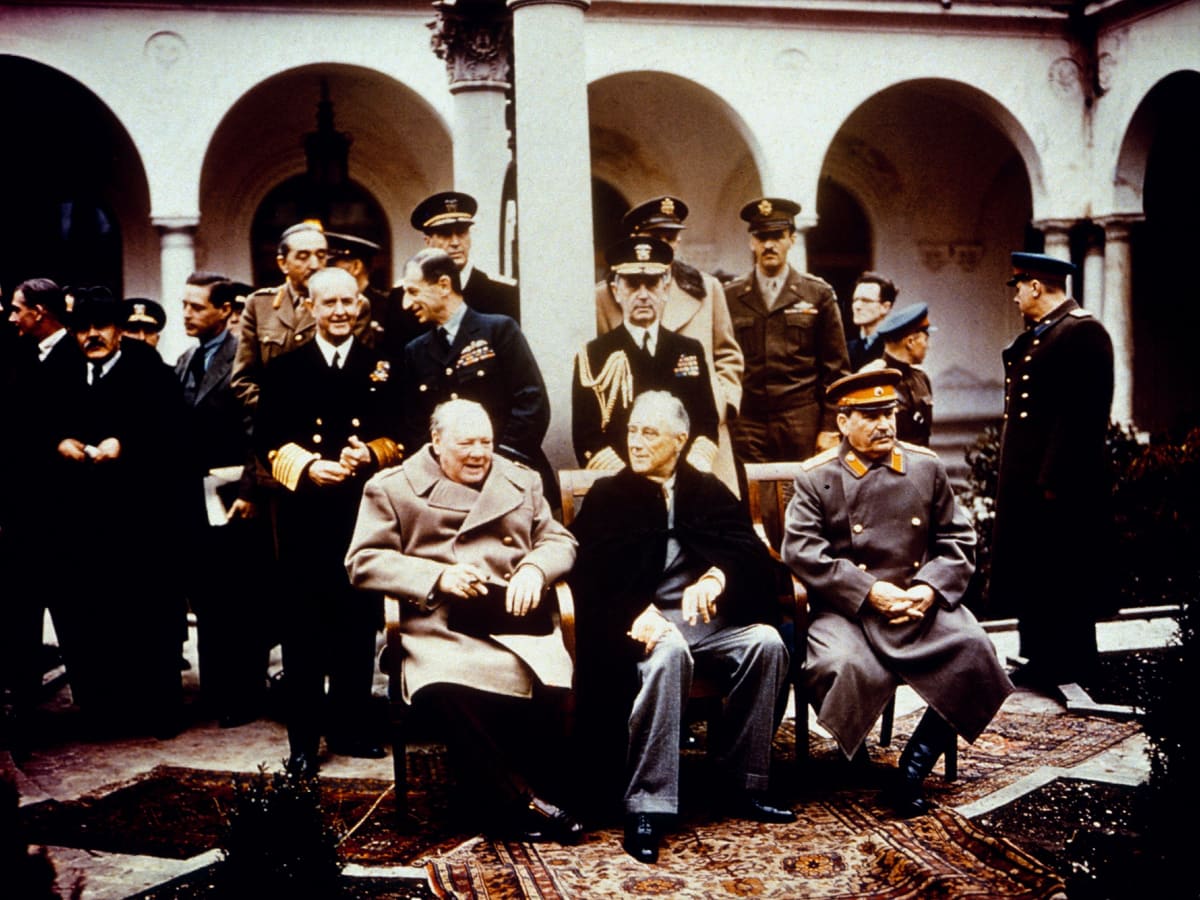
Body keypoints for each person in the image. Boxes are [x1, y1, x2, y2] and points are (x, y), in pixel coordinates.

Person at [569, 391, 793, 864]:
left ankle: (742, 782)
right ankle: (646, 804)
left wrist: (715, 577)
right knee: (669, 654)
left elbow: (751, 555)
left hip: (706, 626)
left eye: (650, 433)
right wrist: (635, 611)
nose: (637, 442)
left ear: (680, 439)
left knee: (767, 643)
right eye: (632, 430)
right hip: (641, 629)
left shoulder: (707, 490)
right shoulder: (610, 495)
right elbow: (586, 575)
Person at [345, 399, 582, 843]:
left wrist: (535, 568)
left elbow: (558, 539)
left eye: (486, 442)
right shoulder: (393, 487)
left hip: (512, 618)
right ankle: (518, 803)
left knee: (553, 679)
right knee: (450, 687)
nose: (479, 453)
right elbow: (362, 561)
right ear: (436, 442)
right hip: (437, 625)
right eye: (466, 443)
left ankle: (538, 791)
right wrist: (437, 575)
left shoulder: (522, 479)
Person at [781, 369, 1013, 817]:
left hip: (913, 601)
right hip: (847, 608)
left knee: (974, 649)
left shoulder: (925, 467)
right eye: (870, 416)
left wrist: (930, 588)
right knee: (842, 665)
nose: (885, 424)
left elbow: (957, 540)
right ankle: (854, 754)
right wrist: (867, 592)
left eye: (889, 412)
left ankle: (912, 769)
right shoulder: (817, 477)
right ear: (843, 422)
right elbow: (803, 551)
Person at [253, 267, 405, 776]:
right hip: (305, 517)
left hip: (363, 515)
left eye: (348, 301)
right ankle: (303, 742)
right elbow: (267, 438)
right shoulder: (285, 368)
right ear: (311, 308)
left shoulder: (382, 366)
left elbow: (401, 434)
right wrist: (309, 466)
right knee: (302, 630)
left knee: (358, 626)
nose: (339, 310)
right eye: (328, 303)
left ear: (360, 303)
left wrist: (371, 455)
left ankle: (351, 726)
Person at [42, 287, 188, 736]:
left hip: (140, 521)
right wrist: (59, 442)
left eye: (100, 327)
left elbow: (174, 436)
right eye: (82, 328)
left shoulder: (151, 372)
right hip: (79, 522)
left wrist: (125, 444)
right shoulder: (57, 371)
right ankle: (102, 711)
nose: (91, 336)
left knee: (147, 613)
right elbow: (34, 422)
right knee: (89, 614)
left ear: (119, 330)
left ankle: (160, 709)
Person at [991, 251, 1115, 691]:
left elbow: (1081, 417)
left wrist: (1051, 482)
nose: (1016, 297)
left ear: (1036, 286)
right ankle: (1040, 656)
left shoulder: (1083, 333)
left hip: (1060, 485)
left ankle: (1073, 661)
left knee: (1065, 571)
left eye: (1019, 287)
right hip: (1030, 482)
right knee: (1035, 571)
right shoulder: (1043, 335)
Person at [595, 196, 743, 493]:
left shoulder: (706, 288)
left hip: (702, 432)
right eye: (657, 236)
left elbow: (727, 354)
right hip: (641, 433)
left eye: (672, 237)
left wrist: (723, 401)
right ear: (638, 239)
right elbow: (601, 366)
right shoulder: (607, 295)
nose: (667, 244)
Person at [175, 273, 271, 727]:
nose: (188, 314)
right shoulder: (185, 359)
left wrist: (252, 490)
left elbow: (259, 430)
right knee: (208, 598)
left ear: (225, 311)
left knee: (242, 599)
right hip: (196, 500)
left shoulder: (241, 359)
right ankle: (215, 692)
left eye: (197, 307)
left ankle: (245, 694)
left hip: (235, 496)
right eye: (186, 305)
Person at [398, 247, 555, 501]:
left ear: (444, 285)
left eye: (413, 292)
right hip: (446, 490)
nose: (406, 304)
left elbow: (532, 403)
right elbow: (415, 425)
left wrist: (496, 464)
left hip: (511, 480)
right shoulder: (415, 351)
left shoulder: (500, 330)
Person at [574, 236, 718, 475]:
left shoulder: (689, 350)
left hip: (683, 484)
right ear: (615, 291)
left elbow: (706, 425)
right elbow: (586, 437)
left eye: (651, 284)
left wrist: (686, 477)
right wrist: (630, 483)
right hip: (622, 488)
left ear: (665, 290)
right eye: (632, 284)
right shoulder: (593, 356)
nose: (642, 295)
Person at [724, 197, 851, 463]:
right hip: (748, 423)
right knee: (754, 499)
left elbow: (836, 367)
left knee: (801, 496)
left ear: (792, 239)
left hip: (801, 421)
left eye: (777, 236)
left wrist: (830, 426)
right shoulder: (731, 296)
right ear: (752, 242)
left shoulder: (817, 294)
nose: (769, 245)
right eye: (761, 237)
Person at [231, 221, 329, 410]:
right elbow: (242, 381)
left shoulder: (345, 307)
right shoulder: (259, 305)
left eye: (321, 255)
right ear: (283, 263)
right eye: (303, 257)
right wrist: (276, 415)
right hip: (272, 427)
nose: (315, 265)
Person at [410, 191, 520, 322]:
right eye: (445, 234)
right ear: (428, 241)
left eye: (462, 232)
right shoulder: (409, 296)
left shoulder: (502, 292)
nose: (455, 243)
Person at [860, 303, 935, 446]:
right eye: (925, 339)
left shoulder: (922, 379)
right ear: (911, 342)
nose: (928, 346)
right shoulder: (871, 378)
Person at [846, 272, 897, 371]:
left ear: (885, 307)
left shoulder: (894, 348)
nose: (857, 306)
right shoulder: (846, 349)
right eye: (855, 300)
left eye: (866, 301)